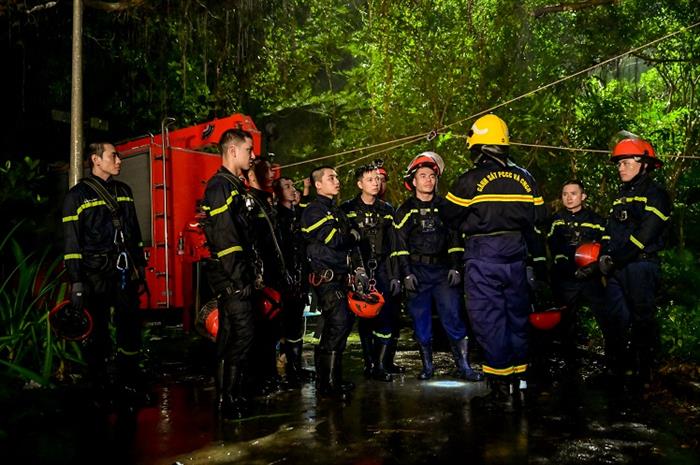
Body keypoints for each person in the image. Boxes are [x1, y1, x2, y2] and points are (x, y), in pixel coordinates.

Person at [442, 114, 546, 411]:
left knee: (489, 320)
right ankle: (519, 380)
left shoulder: (470, 180)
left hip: (484, 257)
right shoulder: (526, 178)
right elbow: (539, 217)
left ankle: (500, 389)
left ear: (479, 147)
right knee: (517, 318)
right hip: (517, 256)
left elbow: (448, 215)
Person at [62, 142, 147, 406]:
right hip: (93, 274)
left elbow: (134, 232)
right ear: (96, 160)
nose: (119, 160)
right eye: (113, 156)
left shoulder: (124, 191)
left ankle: (128, 381)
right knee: (97, 331)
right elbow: (72, 243)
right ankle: (99, 388)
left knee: (130, 326)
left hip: (122, 271)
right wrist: (77, 282)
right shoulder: (76, 196)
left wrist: (140, 269)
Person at [392, 152, 482, 383]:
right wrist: (406, 274)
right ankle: (427, 367)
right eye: (423, 176)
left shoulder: (446, 207)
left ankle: (464, 366)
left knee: (453, 316)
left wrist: (456, 267)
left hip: (443, 272)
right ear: (413, 181)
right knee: (420, 321)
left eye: (432, 176)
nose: (428, 180)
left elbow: (455, 239)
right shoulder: (405, 210)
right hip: (417, 272)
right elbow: (399, 245)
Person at [597, 137, 670, 387]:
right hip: (617, 268)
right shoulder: (621, 196)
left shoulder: (656, 194)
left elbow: (644, 235)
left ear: (644, 164)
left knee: (642, 320)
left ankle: (643, 373)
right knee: (614, 318)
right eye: (619, 164)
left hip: (641, 266)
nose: (621, 168)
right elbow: (609, 230)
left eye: (626, 163)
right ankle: (616, 370)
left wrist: (614, 259)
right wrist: (603, 255)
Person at [200, 129, 257, 419]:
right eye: (249, 150)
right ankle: (228, 399)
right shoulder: (220, 186)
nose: (253, 155)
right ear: (233, 151)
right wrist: (238, 277)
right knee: (242, 333)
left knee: (230, 333)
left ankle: (229, 397)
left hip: (236, 272)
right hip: (230, 274)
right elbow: (226, 237)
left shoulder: (235, 186)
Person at [301, 166, 361, 399]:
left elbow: (351, 234)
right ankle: (328, 386)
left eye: (336, 177)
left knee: (338, 326)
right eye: (331, 178)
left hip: (340, 277)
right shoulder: (314, 210)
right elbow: (335, 239)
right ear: (318, 184)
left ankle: (330, 381)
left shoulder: (334, 210)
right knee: (338, 322)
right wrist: (351, 235)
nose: (337, 181)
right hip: (326, 279)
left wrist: (351, 236)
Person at [341, 164, 404, 382]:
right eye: (370, 179)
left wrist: (395, 275)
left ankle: (381, 364)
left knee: (386, 315)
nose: (375, 183)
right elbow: (344, 243)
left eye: (377, 179)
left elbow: (395, 245)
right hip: (359, 269)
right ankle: (369, 364)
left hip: (383, 268)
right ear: (360, 184)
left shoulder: (387, 210)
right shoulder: (347, 209)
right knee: (364, 316)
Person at [546, 180, 607, 371]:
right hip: (566, 279)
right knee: (566, 321)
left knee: (605, 317)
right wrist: (566, 267)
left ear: (583, 196)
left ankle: (614, 361)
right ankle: (570, 364)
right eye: (565, 194)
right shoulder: (556, 220)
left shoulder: (597, 220)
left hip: (591, 277)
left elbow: (604, 247)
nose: (569, 197)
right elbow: (554, 246)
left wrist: (593, 268)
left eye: (573, 193)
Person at [274, 176, 315, 387]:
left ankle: (295, 367)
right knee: (285, 323)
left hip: (300, 277)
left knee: (296, 323)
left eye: (292, 186)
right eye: (287, 186)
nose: (292, 189)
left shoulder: (298, 215)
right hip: (284, 279)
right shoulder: (276, 217)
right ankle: (285, 367)